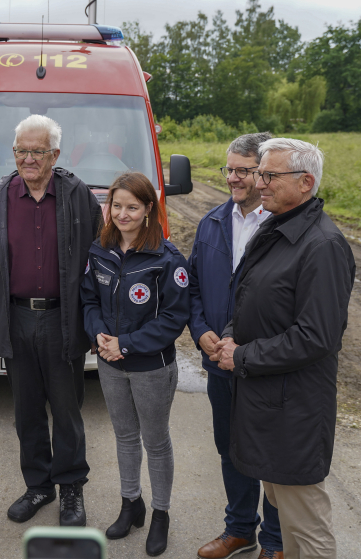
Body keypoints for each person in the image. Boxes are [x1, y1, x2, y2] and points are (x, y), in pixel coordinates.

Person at [211, 138, 355, 559]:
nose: (260, 183)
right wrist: (232, 334)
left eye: (269, 175)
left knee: (306, 527)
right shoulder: (279, 228)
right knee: (285, 518)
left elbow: (316, 337)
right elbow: (253, 295)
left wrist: (241, 356)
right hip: (267, 405)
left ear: (306, 182)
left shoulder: (322, 246)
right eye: (260, 174)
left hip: (294, 414)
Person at [0, 114, 102, 526]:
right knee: (26, 411)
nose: (28, 159)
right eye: (21, 151)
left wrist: (97, 324)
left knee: (66, 410)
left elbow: (99, 256)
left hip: (64, 319)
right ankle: (39, 486)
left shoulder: (78, 195)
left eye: (37, 151)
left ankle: (71, 491)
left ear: (54, 154)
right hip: (16, 319)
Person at [81, 172, 190, 556]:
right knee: (125, 437)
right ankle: (132, 504)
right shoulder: (100, 250)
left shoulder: (168, 258)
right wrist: (100, 338)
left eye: (132, 207)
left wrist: (123, 344)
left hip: (151, 367)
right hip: (111, 363)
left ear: (148, 210)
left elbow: (173, 319)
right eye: (116, 206)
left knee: (155, 442)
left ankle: (160, 513)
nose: (122, 214)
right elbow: (89, 301)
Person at [188, 133, 283, 559]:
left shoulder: (280, 229)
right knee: (230, 450)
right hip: (218, 363)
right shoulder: (211, 223)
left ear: (263, 175)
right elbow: (189, 287)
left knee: (271, 456)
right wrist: (200, 329)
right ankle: (241, 529)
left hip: (263, 364)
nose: (233, 178)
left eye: (243, 170)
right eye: (229, 169)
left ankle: (277, 543)